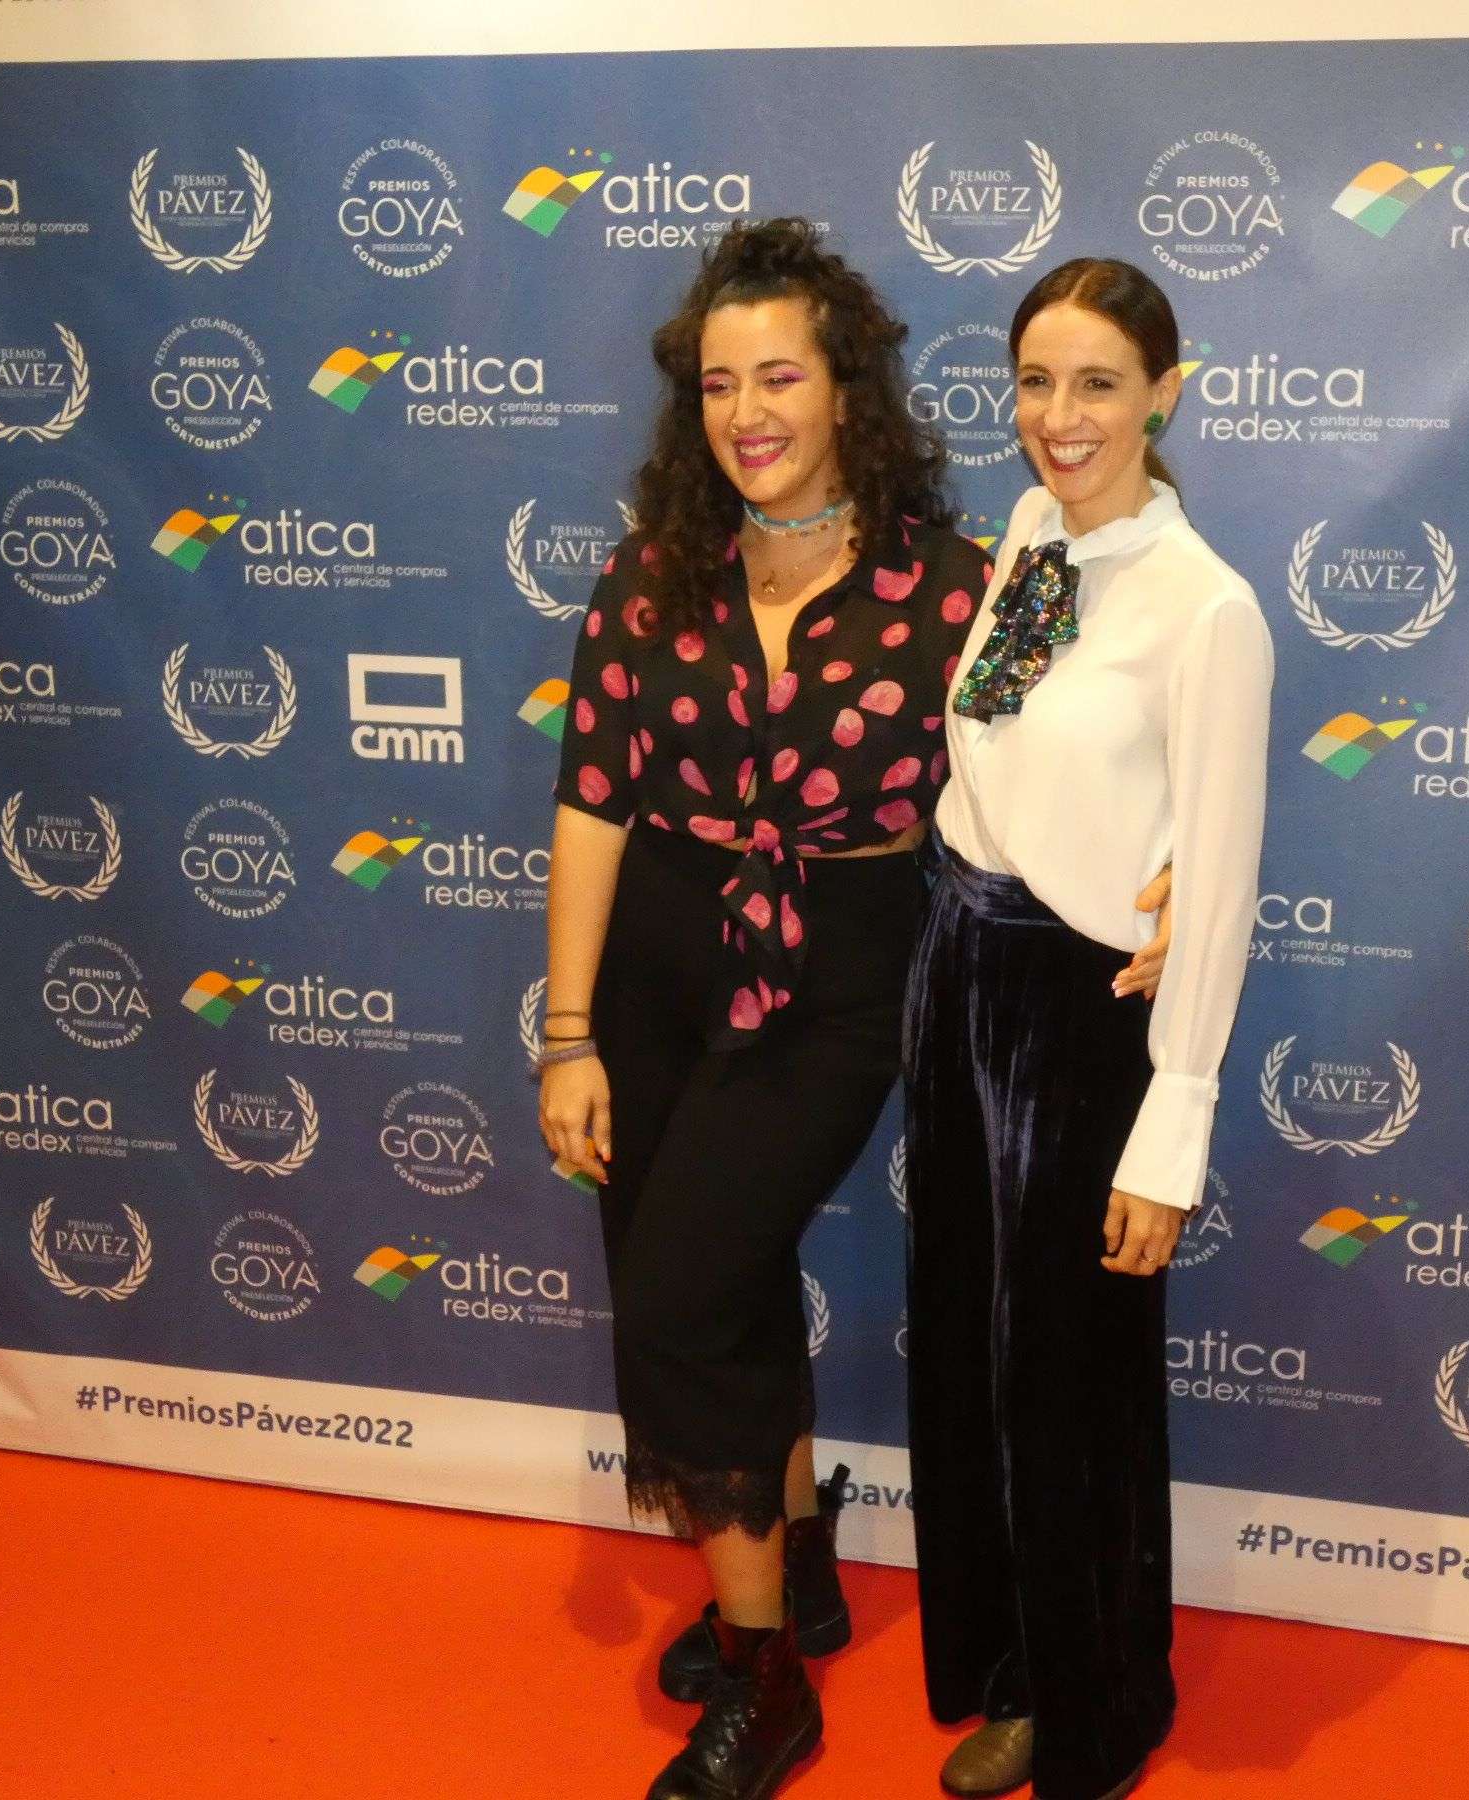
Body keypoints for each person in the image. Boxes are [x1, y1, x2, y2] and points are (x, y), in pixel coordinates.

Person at [534, 216, 998, 1800]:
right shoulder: (654, 569)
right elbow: (593, 796)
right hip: (657, 960)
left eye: (780, 376)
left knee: (682, 1301)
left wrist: (1160, 875)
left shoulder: (964, 590)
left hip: (837, 970)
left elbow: (1075, 752)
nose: (749, 413)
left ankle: (765, 1683)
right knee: (711, 1287)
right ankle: (794, 1564)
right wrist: (569, 1034)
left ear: (847, 386)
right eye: (721, 384)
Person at [902, 257, 1274, 1800]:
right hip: (962, 971)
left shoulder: (1208, 609)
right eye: (1037, 383)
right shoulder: (1037, 537)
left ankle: (1091, 1703)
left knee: (1068, 1380)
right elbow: (994, 757)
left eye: (1100, 385)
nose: (1062, 418)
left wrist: (1171, 1125)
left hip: (1081, 1012)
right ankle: (1006, 1661)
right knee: (966, 1351)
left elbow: (1225, 881)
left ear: (1165, 394)